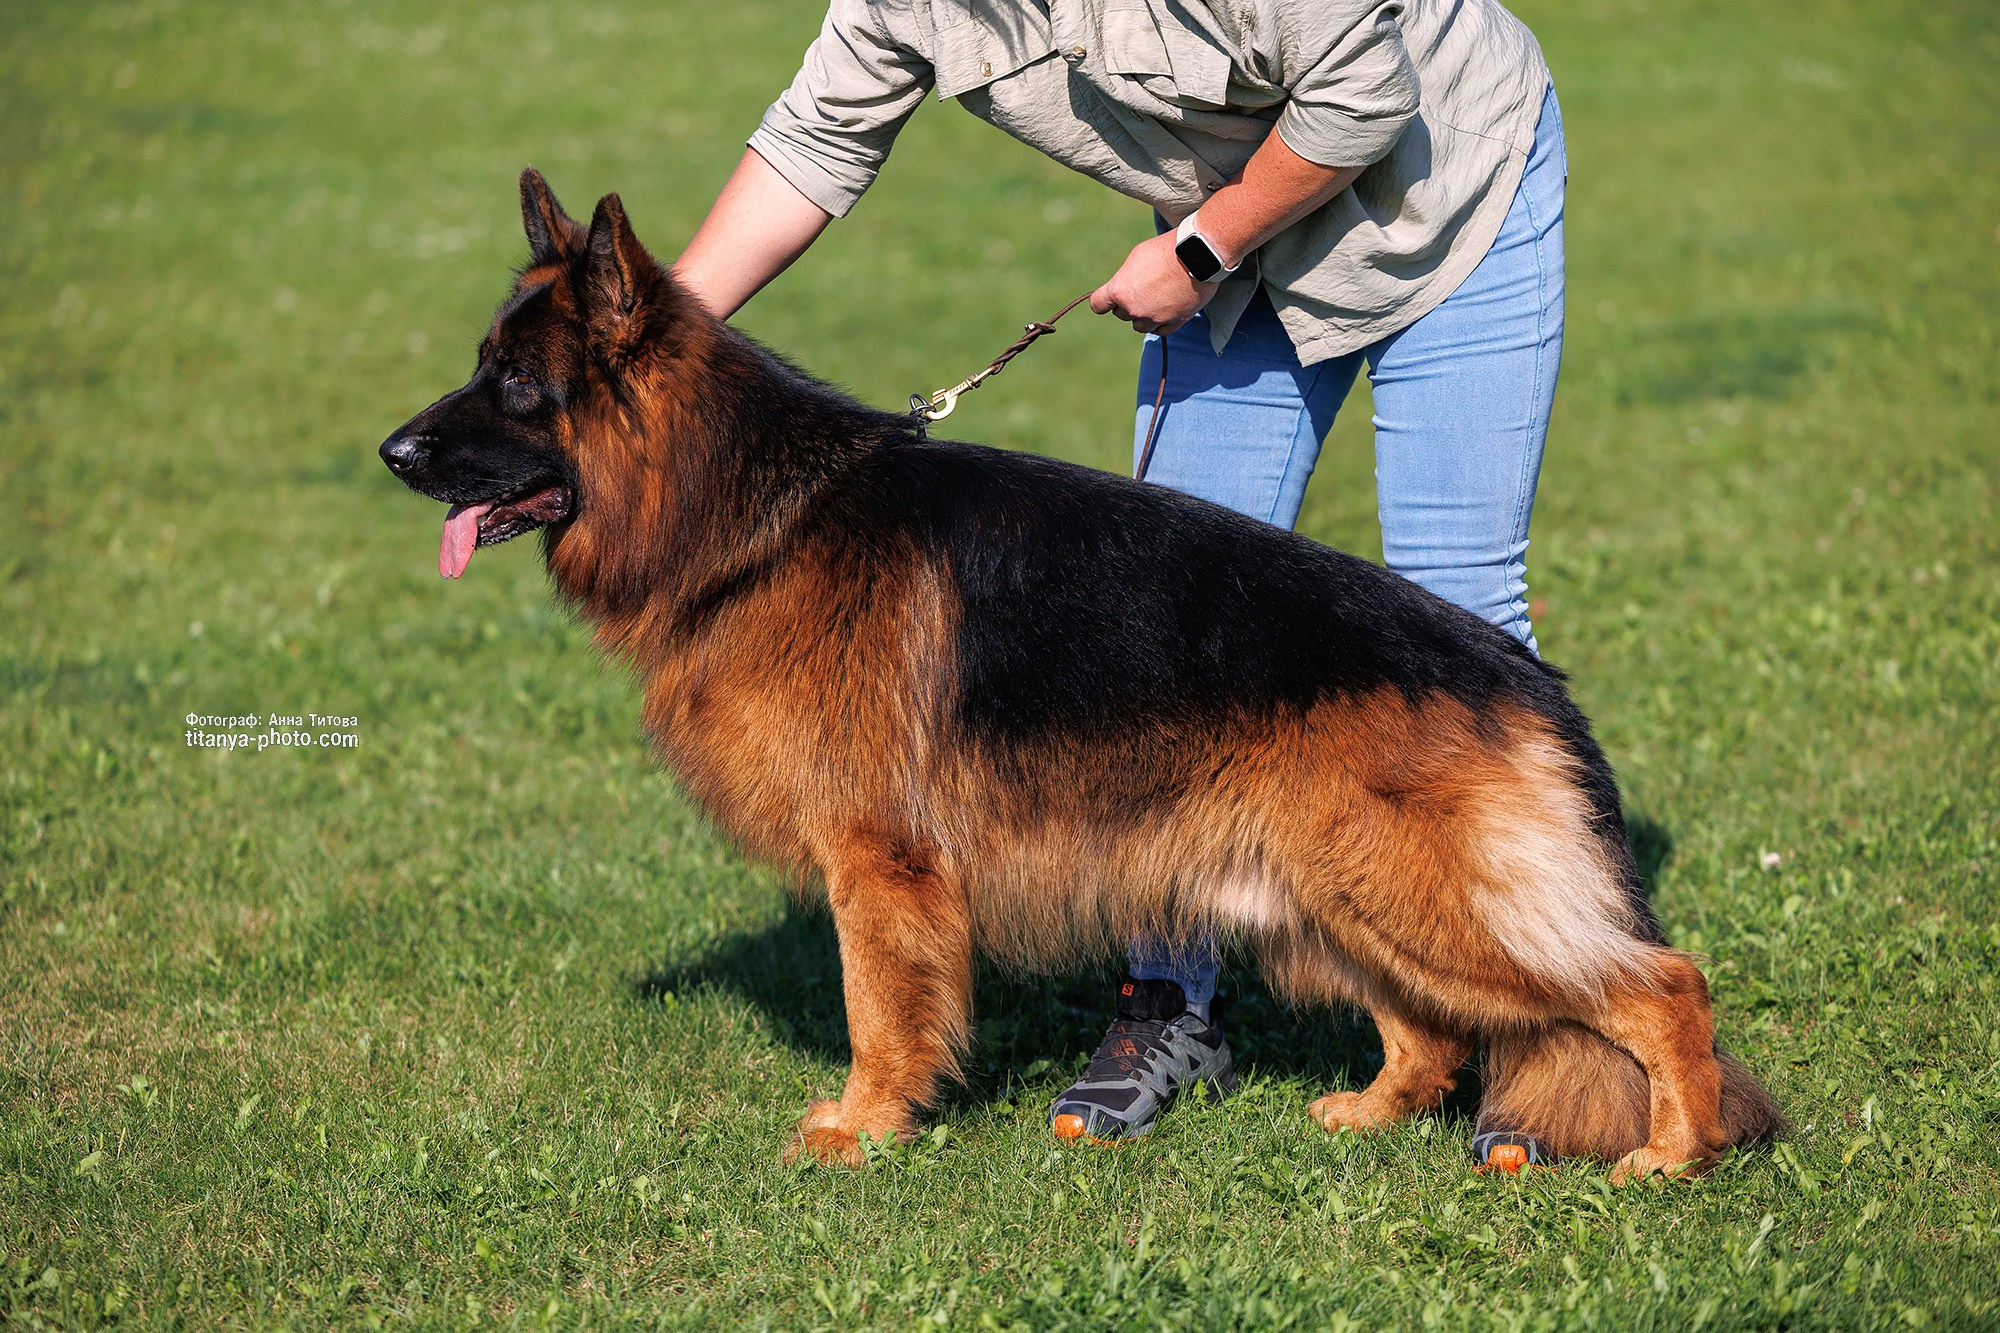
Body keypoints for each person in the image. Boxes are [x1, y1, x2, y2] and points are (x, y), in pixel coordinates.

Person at [673, 0, 1564, 1166]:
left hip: (1440, 193)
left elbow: (1361, 93)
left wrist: (1200, 246)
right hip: (1229, 244)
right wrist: (634, 346)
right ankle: (1170, 1008)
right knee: (1156, 640)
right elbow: (813, 141)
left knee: (1455, 606)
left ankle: (1534, 1045)